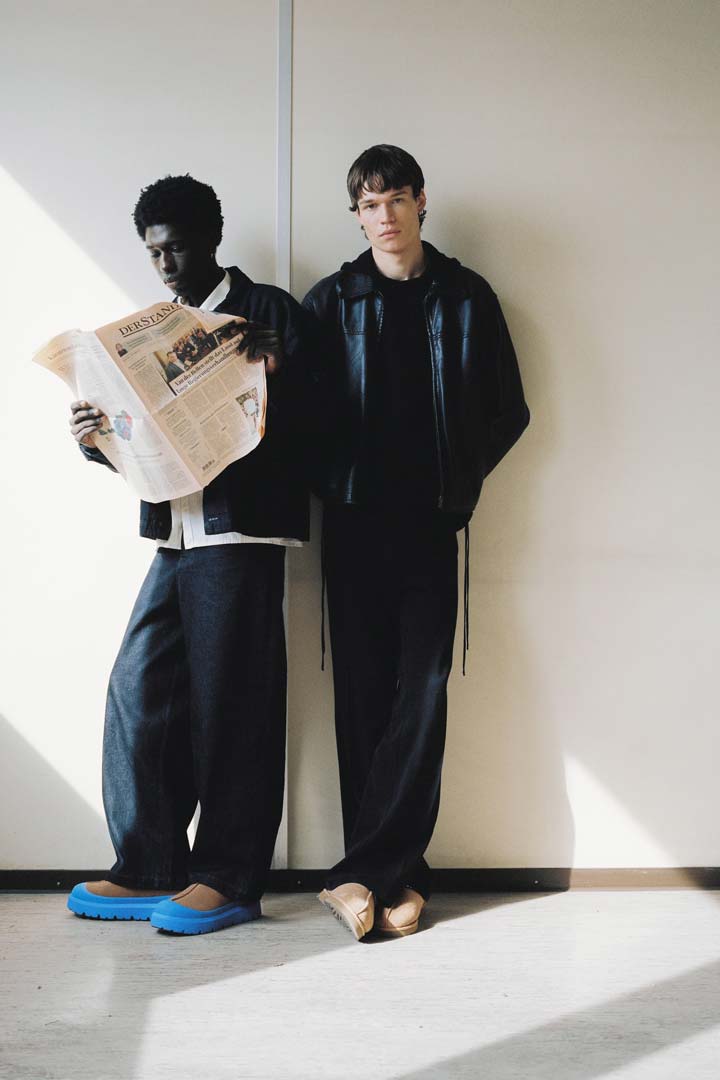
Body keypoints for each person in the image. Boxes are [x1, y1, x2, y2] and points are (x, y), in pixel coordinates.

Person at [67, 173, 310, 935]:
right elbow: (146, 443)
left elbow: (332, 422)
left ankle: (230, 879)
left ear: (210, 238)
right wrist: (97, 441)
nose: (165, 264)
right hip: (176, 536)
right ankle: (151, 866)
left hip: (240, 535)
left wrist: (283, 374)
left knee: (234, 707)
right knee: (139, 691)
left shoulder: (269, 310)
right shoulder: (150, 332)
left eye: (174, 248)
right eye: (153, 253)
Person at [303, 145, 530, 940]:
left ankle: (362, 877)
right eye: (369, 204)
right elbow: (298, 417)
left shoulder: (467, 297)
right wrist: (334, 482)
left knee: (422, 696)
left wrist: (459, 484)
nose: (385, 215)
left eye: (396, 198)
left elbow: (509, 411)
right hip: (354, 526)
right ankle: (397, 879)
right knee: (364, 699)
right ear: (357, 216)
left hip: (431, 525)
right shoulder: (331, 301)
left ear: (421, 201)